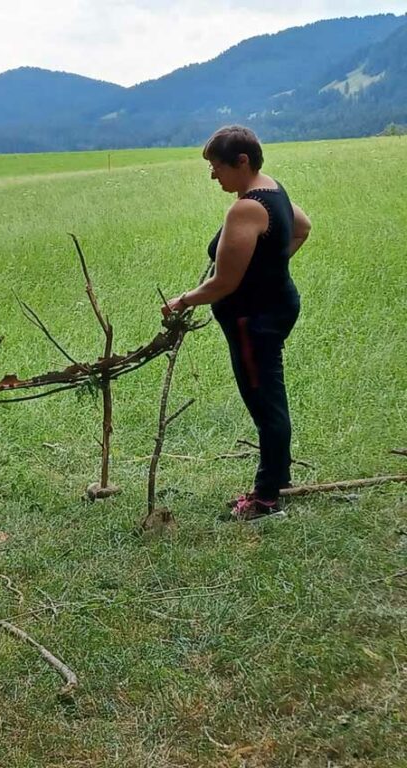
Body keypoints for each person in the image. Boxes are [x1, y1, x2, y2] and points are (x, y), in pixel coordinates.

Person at [163, 125, 311, 521]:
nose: (213, 175)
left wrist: (183, 301)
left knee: (265, 404)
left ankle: (265, 499)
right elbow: (302, 227)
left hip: (254, 320)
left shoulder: (246, 208)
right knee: (269, 397)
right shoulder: (272, 190)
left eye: (216, 166)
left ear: (241, 162)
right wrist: (269, 266)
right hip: (274, 308)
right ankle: (278, 477)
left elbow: (224, 282)